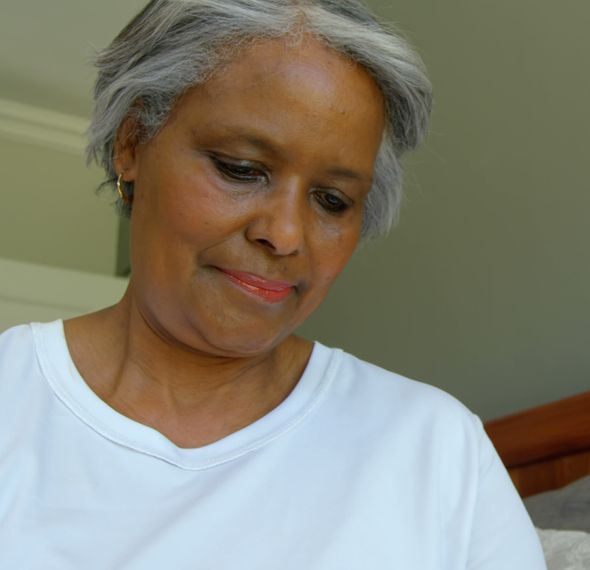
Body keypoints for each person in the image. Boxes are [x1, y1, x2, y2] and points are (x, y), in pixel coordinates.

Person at [0, 1, 546, 568]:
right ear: (133, 143)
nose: (285, 235)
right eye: (240, 167)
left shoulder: (434, 446)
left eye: (332, 201)